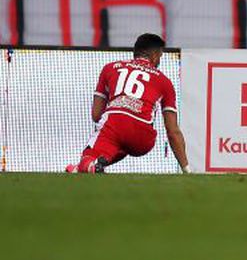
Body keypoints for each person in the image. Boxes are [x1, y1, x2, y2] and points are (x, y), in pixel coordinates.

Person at [67, 33, 189, 173]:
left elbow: (96, 114)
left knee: (89, 156)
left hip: (115, 125)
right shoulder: (165, 81)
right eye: (160, 57)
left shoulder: (110, 68)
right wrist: (186, 169)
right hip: (143, 139)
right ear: (155, 56)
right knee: (122, 143)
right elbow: (173, 131)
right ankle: (97, 165)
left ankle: (85, 166)